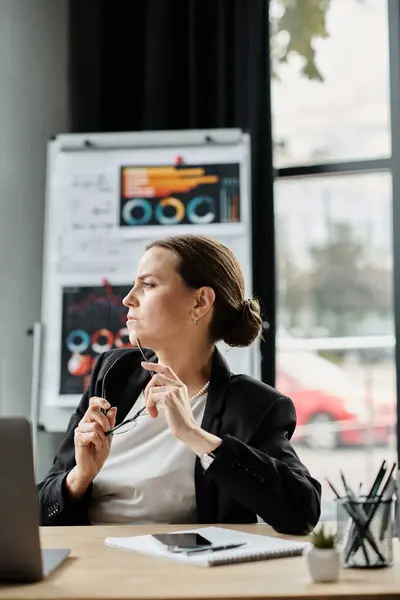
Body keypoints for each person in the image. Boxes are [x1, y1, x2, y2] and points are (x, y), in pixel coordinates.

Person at [38, 234, 321, 534]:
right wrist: (80, 476)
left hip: (177, 572)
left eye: (148, 285)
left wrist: (194, 436)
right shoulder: (113, 373)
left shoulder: (252, 405)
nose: (128, 298)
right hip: (91, 561)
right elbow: (41, 507)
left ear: (200, 302)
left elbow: (302, 512)